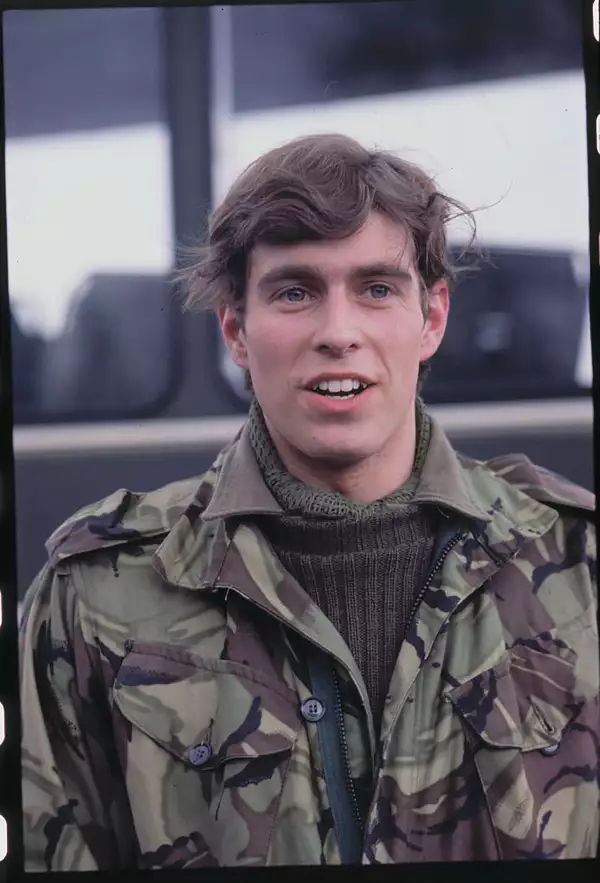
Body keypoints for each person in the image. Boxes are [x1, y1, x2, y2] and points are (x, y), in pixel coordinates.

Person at [20, 134, 598, 869]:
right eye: (295, 291)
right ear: (235, 327)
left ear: (432, 318)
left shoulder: (578, 567)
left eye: (377, 288)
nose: (338, 333)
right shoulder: (94, 597)